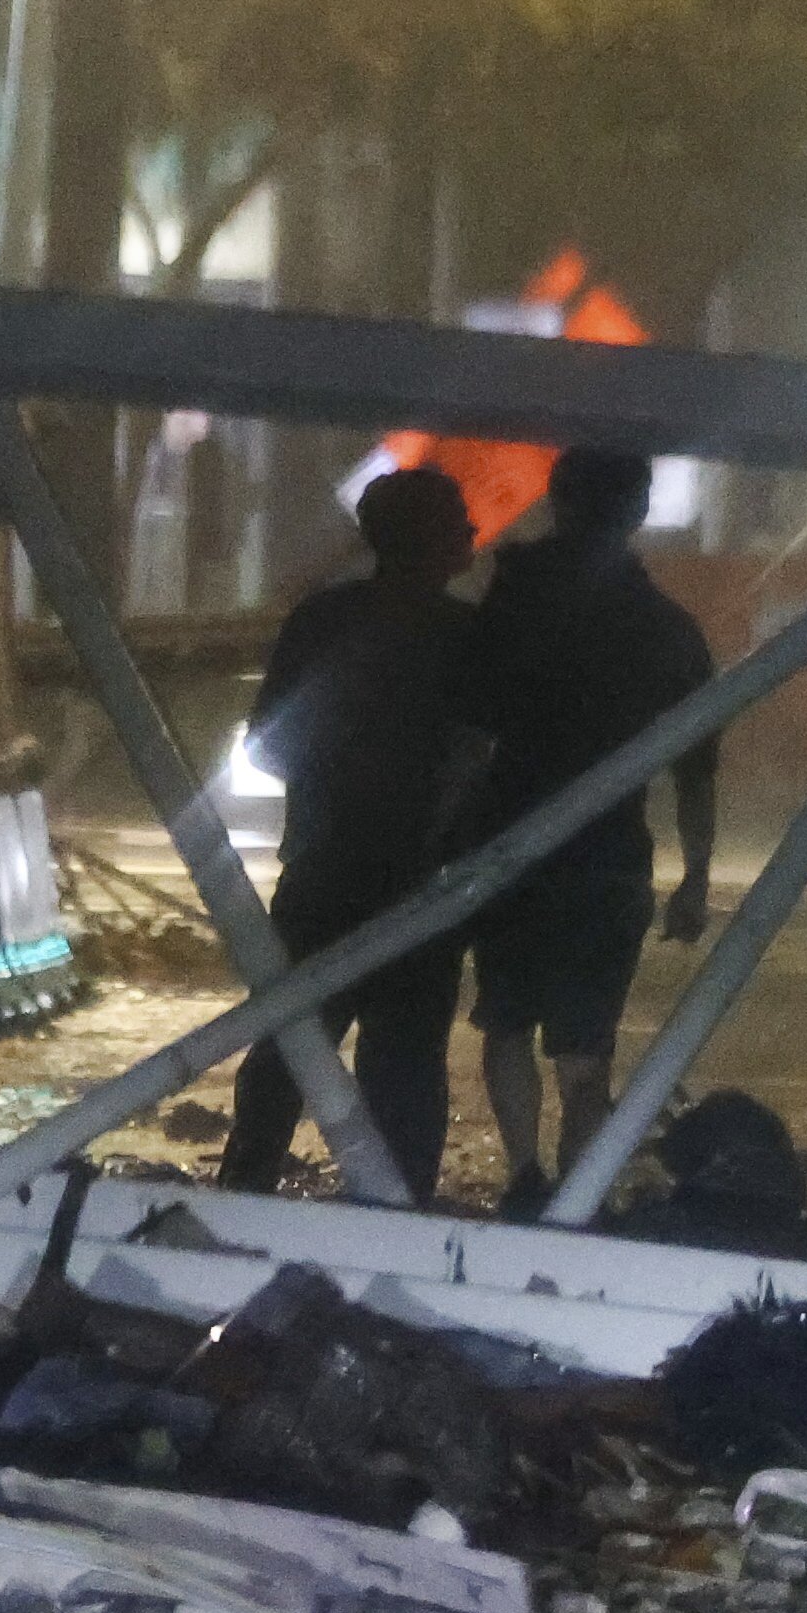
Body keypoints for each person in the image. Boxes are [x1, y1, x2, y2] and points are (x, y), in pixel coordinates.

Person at [449, 448, 715, 1200]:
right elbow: (697, 767)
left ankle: (524, 1175)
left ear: (557, 504)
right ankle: (577, 1196)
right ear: (636, 514)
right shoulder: (664, 627)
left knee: (506, 1024)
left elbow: (471, 735)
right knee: (585, 1051)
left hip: (512, 850)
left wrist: (443, 838)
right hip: (607, 861)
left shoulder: (511, 603)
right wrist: (694, 876)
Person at [216, 465, 477, 1199]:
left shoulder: (322, 622)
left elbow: (268, 745)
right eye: (459, 517)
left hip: (323, 871)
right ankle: (396, 1208)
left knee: (291, 1043)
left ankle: (247, 1181)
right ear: (431, 537)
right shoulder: (467, 636)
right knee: (405, 1063)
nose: (474, 530)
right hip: (424, 888)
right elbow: (484, 754)